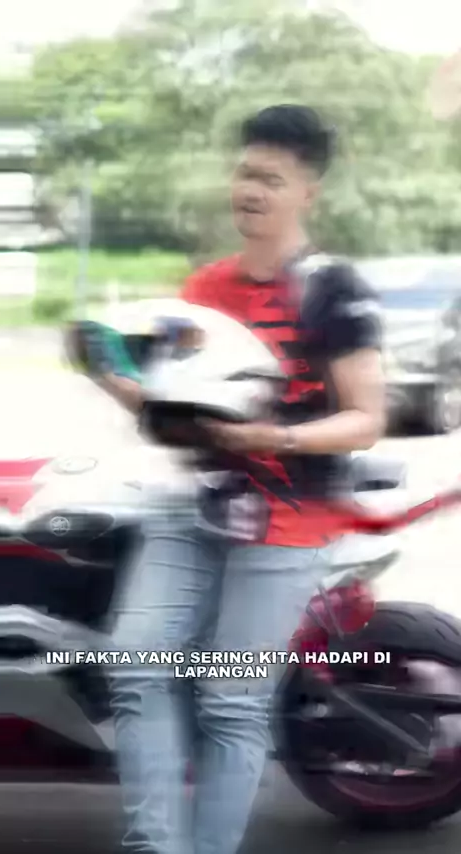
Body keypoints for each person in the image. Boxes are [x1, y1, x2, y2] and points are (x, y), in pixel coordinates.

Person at [95, 104, 386, 854]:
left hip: (288, 518)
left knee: (230, 699)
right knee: (136, 665)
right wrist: (120, 383)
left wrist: (274, 437)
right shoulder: (204, 287)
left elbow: (365, 418)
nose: (250, 190)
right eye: (244, 173)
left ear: (307, 192)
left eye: (272, 179)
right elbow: (175, 416)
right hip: (191, 503)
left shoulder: (333, 291)